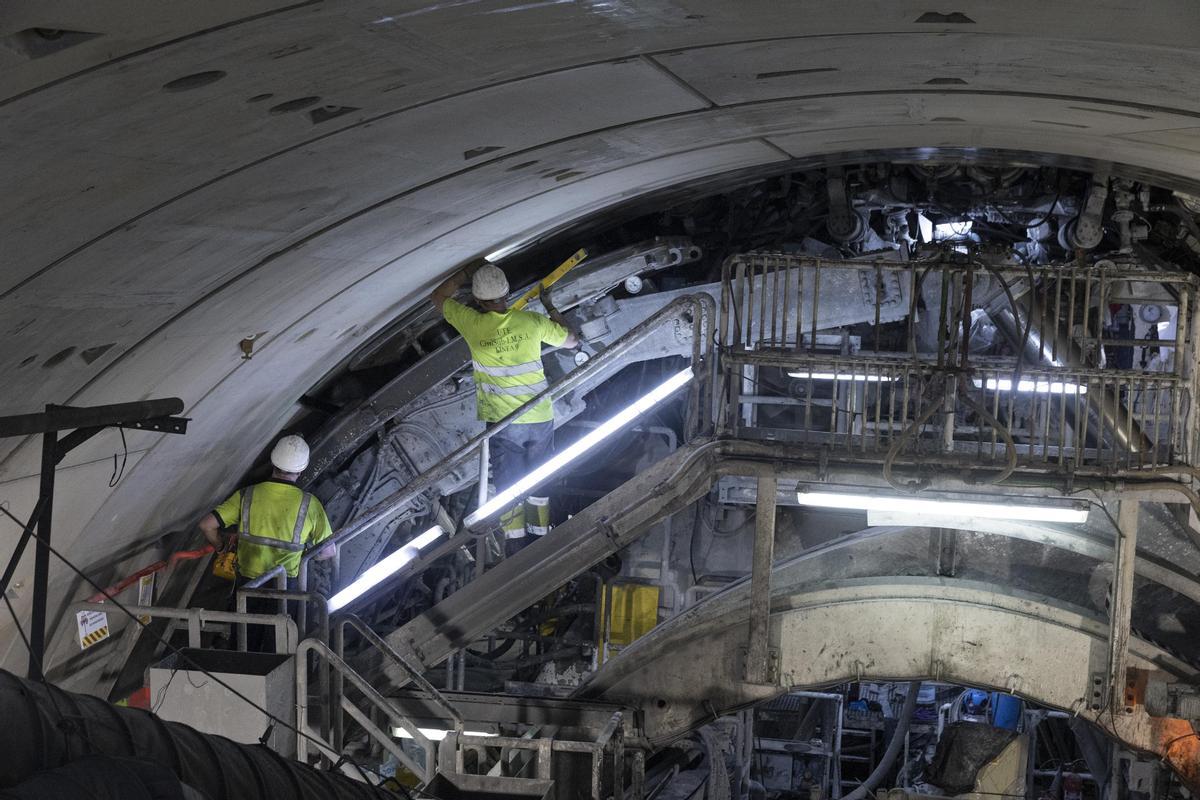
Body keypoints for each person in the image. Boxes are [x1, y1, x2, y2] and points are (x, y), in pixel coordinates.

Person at [431, 260, 578, 553]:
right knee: (538, 483)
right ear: (508, 295)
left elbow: (438, 298)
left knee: (510, 488)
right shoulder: (531, 323)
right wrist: (550, 307)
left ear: (476, 300)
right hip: (539, 417)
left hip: (504, 422)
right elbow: (572, 341)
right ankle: (539, 540)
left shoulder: (472, 324)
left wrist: (465, 272)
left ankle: (516, 549)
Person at [197, 434, 335, 651]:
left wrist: (222, 547)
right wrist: (307, 554)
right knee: (278, 652)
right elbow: (327, 552)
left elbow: (207, 525)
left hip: (247, 586)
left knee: (242, 647)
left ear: (273, 461)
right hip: (285, 592)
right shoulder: (310, 504)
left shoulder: (247, 495)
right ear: (301, 469)